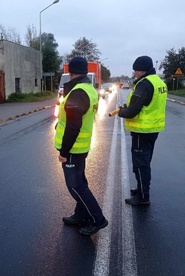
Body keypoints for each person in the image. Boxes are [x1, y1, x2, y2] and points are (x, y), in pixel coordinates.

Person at [54, 56, 108, 235]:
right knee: (80, 182)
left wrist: (64, 151)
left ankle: (97, 219)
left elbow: (73, 125)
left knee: (76, 186)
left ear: (70, 72)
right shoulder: (88, 89)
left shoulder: (78, 91)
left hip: (73, 148)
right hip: (80, 147)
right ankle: (81, 213)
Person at [118, 56, 167, 205]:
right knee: (145, 162)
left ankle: (143, 196)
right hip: (153, 129)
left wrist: (122, 112)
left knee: (140, 164)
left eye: (136, 70)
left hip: (142, 131)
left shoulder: (144, 84)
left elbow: (133, 110)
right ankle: (141, 188)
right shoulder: (158, 82)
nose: (134, 73)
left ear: (142, 70)